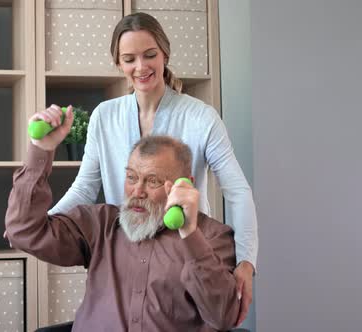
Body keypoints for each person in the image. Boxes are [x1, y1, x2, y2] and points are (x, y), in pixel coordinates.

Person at [35, 12, 257, 325]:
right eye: (129, 59)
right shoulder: (104, 116)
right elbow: (85, 186)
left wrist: (246, 261)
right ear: (118, 63)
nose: (141, 67)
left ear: (165, 54)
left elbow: (237, 191)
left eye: (150, 55)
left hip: (183, 251)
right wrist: (44, 227)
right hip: (123, 253)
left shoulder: (201, 117)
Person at [5, 126, 240, 331]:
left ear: (184, 183)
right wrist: (40, 151)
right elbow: (24, 232)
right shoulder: (101, 223)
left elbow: (222, 317)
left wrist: (189, 234)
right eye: (131, 177)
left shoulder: (212, 237)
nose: (137, 191)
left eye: (153, 181)